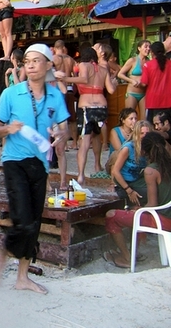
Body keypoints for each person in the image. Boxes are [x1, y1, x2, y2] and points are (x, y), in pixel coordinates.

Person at [0, 43, 69, 295]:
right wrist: (7, 129)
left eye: (36, 60)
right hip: (14, 160)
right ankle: (3, 257)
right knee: (22, 217)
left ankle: (22, 277)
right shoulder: (10, 94)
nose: (31, 65)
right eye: (27, 61)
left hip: (41, 163)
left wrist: (60, 134)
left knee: (34, 221)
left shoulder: (56, 96)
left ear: (48, 64)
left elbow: (64, 130)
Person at [104, 132, 171, 268]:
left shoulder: (150, 171)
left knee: (111, 215)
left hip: (164, 220)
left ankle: (127, 258)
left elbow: (152, 204)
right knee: (137, 212)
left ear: (145, 151)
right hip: (166, 214)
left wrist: (138, 209)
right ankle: (135, 252)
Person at [58, 46, 116, 185]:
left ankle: (81, 175)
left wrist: (66, 78)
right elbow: (111, 90)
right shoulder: (103, 69)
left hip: (86, 106)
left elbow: (83, 79)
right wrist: (114, 81)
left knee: (84, 142)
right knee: (96, 136)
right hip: (101, 106)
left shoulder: (84, 65)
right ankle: (97, 165)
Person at [111, 120, 152, 208]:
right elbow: (115, 171)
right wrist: (129, 191)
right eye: (141, 133)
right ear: (136, 135)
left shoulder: (150, 149)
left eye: (147, 134)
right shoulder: (128, 148)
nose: (145, 136)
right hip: (124, 181)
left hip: (137, 180)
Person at [117, 40, 150, 118]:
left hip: (144, 93)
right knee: (130, 117)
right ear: (139, 48)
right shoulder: (133, 60)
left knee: (144, 119)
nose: (148, 49)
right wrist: (131, 80)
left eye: (149, 47)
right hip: (132, 93)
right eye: (145, 46)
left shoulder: (149, 62)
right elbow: (120, 74)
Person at [140, 41, 171, 122]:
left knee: (152, 129)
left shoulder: (148, 65)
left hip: (153, 102)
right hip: (168, 101)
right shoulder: (170, 64)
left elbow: (143, 84)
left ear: (152, 52)